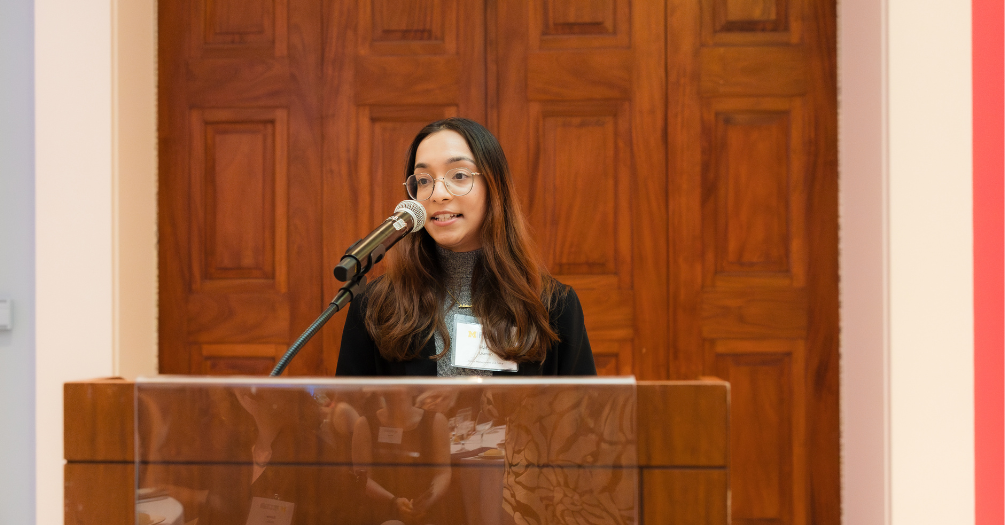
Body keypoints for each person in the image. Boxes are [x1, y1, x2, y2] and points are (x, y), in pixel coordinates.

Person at [336, 117, 595, 377]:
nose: (438, 194)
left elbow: (582, 414)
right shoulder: (376, 304)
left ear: (494, 187)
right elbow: (349, 413)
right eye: (424, 180)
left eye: (459, 175)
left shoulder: (552, 306)